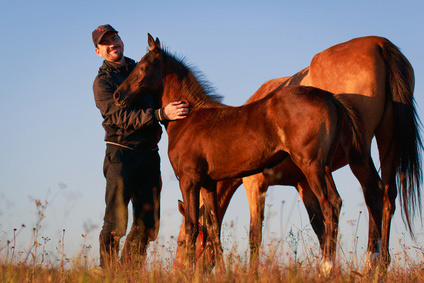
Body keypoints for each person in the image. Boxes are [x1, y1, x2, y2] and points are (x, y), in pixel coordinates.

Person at [92, 24, 189, 268]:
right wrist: (159, 114)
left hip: (149, 155)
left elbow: (166, 96)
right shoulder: (102, 83)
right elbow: (119, 117)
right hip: (121, 154)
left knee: (148, 225)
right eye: (106, 42)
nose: (113, 44)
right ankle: (109, 274)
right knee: (115, 223)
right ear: (99, 51)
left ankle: (130, 272)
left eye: (115, 38)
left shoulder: (143, 69)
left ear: (122, 41)